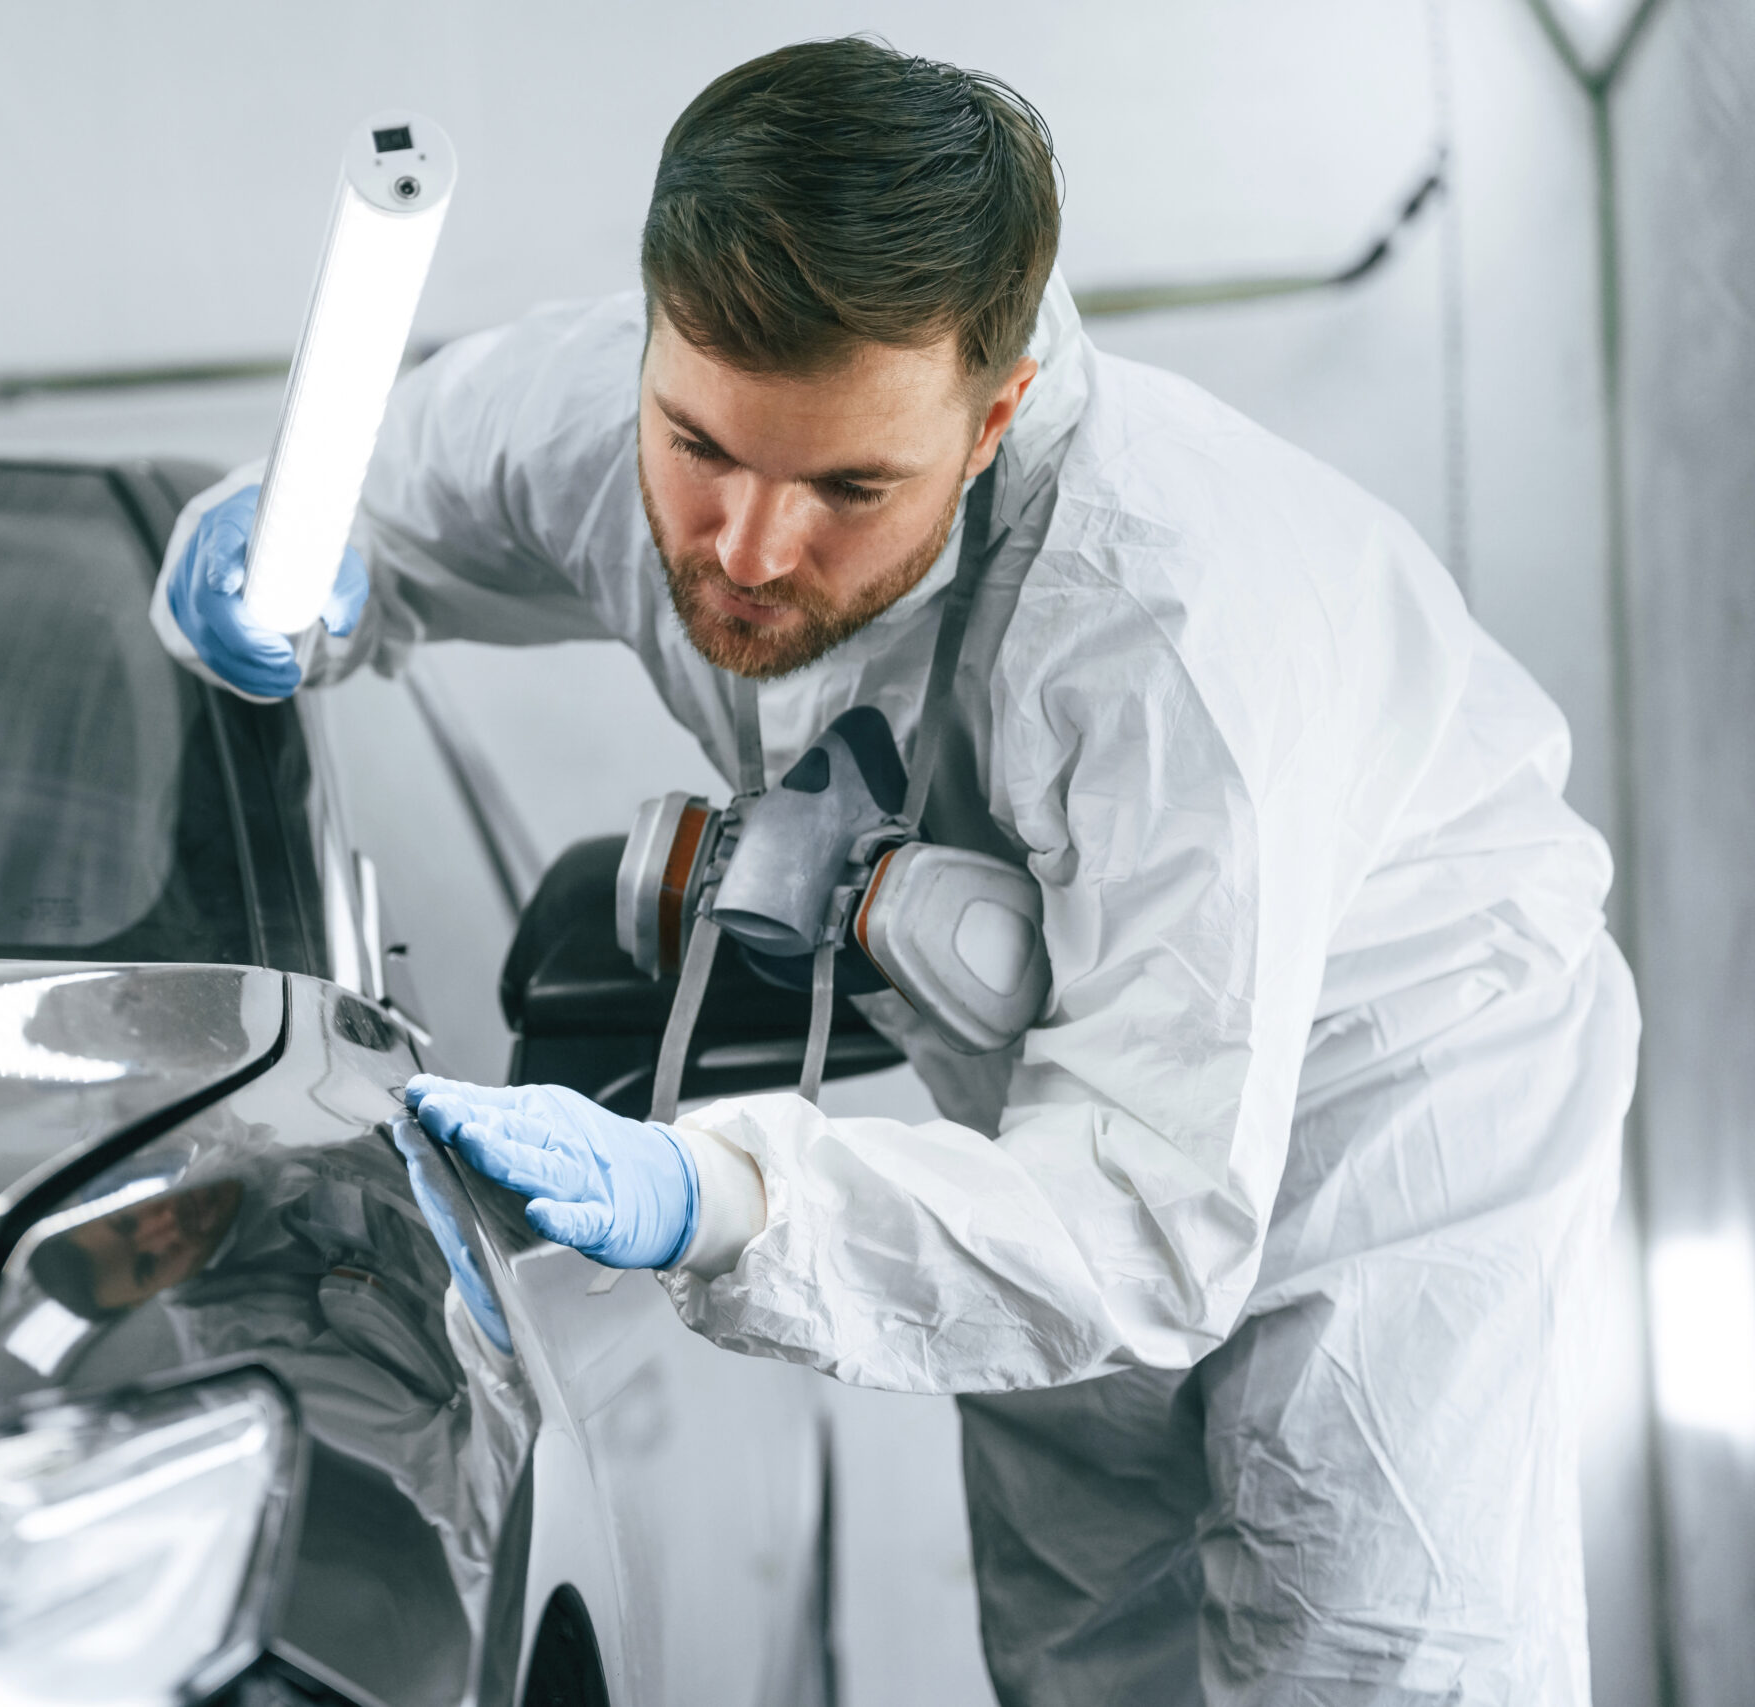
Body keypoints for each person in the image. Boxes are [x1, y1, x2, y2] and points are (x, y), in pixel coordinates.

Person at [150, 38, 1637, 1707]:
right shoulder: (596, 407)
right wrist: (267, 556)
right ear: (651, 340)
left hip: (1400, 1069)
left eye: (852, 487)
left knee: (1370, 1647)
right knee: (1084, 1643)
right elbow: (372, 509)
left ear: (993, 414)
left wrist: (724, 1198)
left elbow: (1148, 1213)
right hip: (1043, 1098)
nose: (751, 549)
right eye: (700, 448)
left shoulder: (1165, 632)